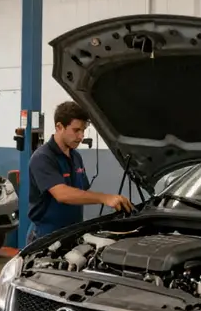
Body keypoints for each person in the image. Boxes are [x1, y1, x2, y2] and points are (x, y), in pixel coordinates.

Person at [27, 101, 133, 244]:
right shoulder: (43, 157)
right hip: (46, 235)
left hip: (72, 233)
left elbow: (81, 192)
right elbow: (62, 194)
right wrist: (104, 198)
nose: (81, 136)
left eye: (83, 130)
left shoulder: (76, 156)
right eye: (76, 130)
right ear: (59, 127)